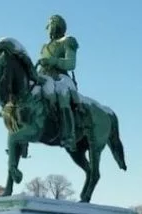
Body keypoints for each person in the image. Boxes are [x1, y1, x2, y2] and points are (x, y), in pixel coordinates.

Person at [36, 14, 89, 143]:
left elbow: (71, 64)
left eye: (49, 26)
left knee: (62, 96)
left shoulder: (68, 41)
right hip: (44, 76)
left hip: (61, 78)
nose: (48, 30)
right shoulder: (44, 47)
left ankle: (69, 134)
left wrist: (52, 61)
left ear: (56, 26)